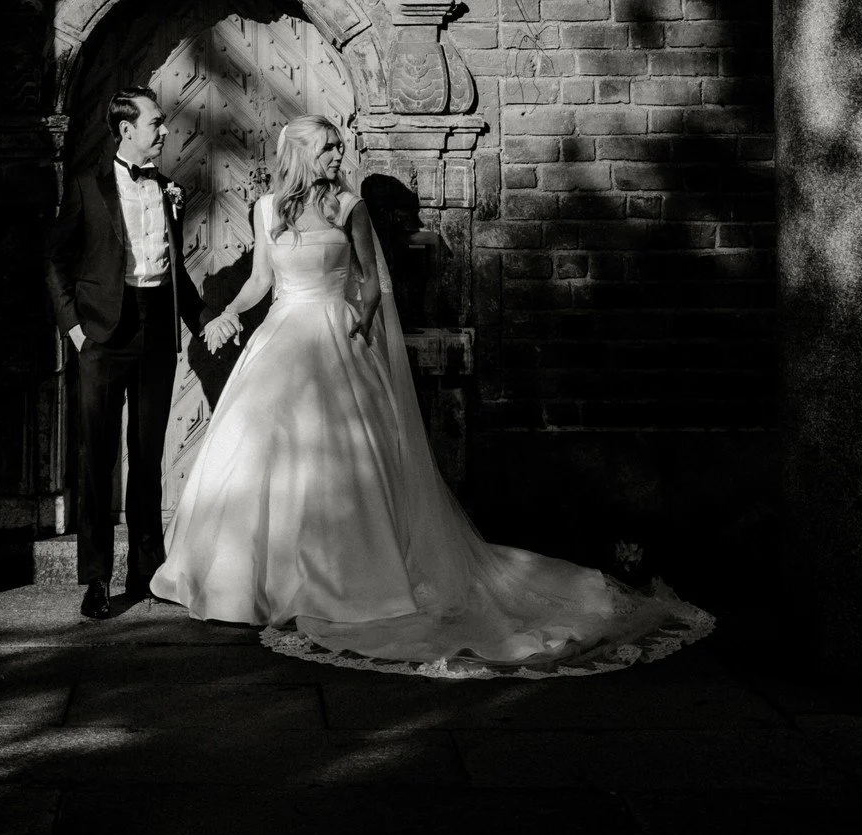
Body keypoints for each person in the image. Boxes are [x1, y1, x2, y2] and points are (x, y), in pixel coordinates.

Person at [151, 116, 711, 677]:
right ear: (298, 154)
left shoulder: (350, 208)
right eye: (326, 148)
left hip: (335, 337)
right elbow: (260, 281)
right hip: (280, 340)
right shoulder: (267, 209)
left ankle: (343, 582)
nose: (336, 156)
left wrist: (359, 323)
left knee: (345, 466)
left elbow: (372, 282)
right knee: (259, 456)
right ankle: (249, 584)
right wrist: (227, 313)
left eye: (337, 147)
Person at [46, 86, 203, 620]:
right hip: (101, 337)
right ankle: (94, 579)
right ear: (127, 129)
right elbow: (55, 260)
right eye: (156, 123)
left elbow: (174, 268)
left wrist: (202, 321)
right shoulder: (88, 186)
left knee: (148, 457)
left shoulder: (166, 189)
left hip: (157, 329)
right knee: (97, 460)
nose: (164, 130)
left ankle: (146, 571)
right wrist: (73, 331)